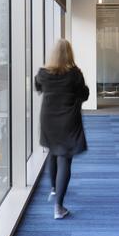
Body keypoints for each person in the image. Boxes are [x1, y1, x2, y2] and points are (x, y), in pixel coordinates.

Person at [34, 39, 89, 219]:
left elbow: (38, 87)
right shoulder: (75, 74)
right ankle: (58, 207)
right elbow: (84, 94)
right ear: (69, 54)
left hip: (48, 119)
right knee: (65, 158)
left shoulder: (43, 73)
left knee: (52, 152)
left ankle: (53, 189)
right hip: (68, 120)